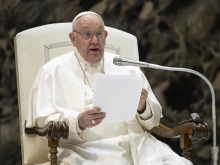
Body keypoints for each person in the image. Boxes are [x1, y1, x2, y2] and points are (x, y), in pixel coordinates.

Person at [26, 11, 193, 165]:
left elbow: (154, 121)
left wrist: (143, 107)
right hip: (85, 151)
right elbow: (43, 121)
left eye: (99, 34)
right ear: (73, 39)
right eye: (87, 34)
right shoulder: (52, 70)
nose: (94, 40)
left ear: (105, 36)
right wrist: (78, 121)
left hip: (140, 146)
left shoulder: (126, 67)